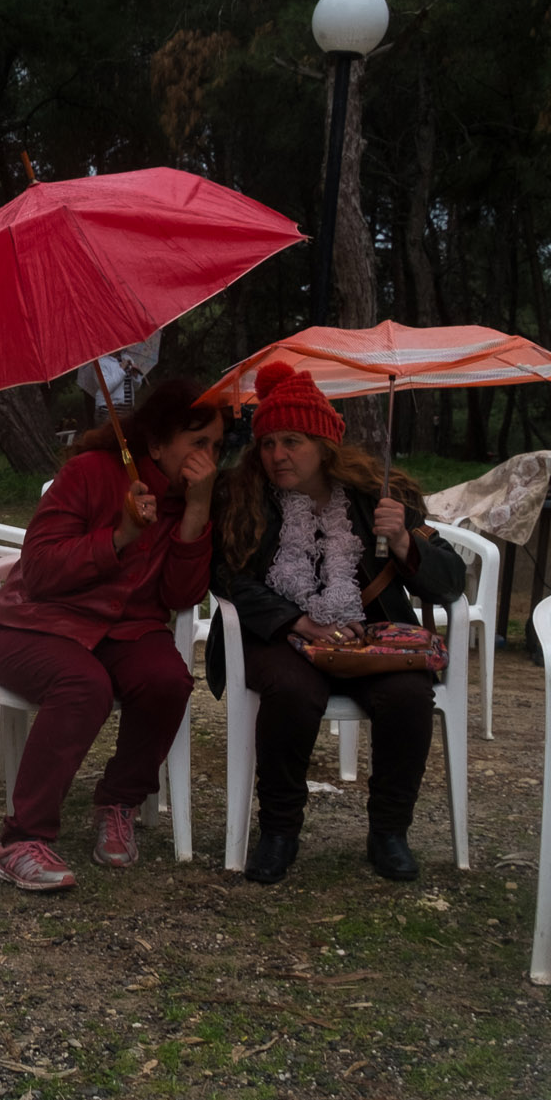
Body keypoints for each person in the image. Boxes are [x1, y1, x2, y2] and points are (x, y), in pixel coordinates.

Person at [209, 360, 467, 885]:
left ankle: (389, 832)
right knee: (292, 690)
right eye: (268, 443)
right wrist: (297, 621)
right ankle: (279, 831)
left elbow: (450, 581)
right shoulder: (243, 495)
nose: (277, 455)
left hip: (365, 634)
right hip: (276, 635)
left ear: (324, 444)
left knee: (407, 694)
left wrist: (403, 541)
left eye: (293, 441)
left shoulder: (377, 493)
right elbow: (227, 576)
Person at [0, 378, 222, 892]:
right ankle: (21, 840)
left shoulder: (188, 498)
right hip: (37, 624)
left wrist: (197, 510)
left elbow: (181, 594)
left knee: (167, 681)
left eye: (216, 447)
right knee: (83, 685)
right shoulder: (89, 472)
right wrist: (119, 537)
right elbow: (39, 571)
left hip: (126, 630)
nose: (209, 459)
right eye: (198, 443)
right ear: (156, 444)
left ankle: (118, 800)